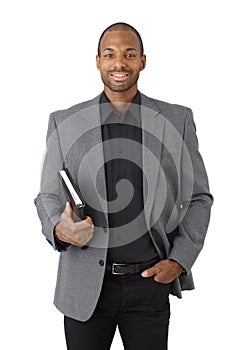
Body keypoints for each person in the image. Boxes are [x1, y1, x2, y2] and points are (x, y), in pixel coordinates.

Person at [34, 22, 213, 350]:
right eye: (110, 54)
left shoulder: (177, 120)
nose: (120, 63)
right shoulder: (64, 122)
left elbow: (199, 196)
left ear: (142, 62)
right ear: (98, 61)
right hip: (84, 286)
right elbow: (47, 194)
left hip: (150, 284)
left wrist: (181, 258)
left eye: (129, 55)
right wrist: (60, 231)